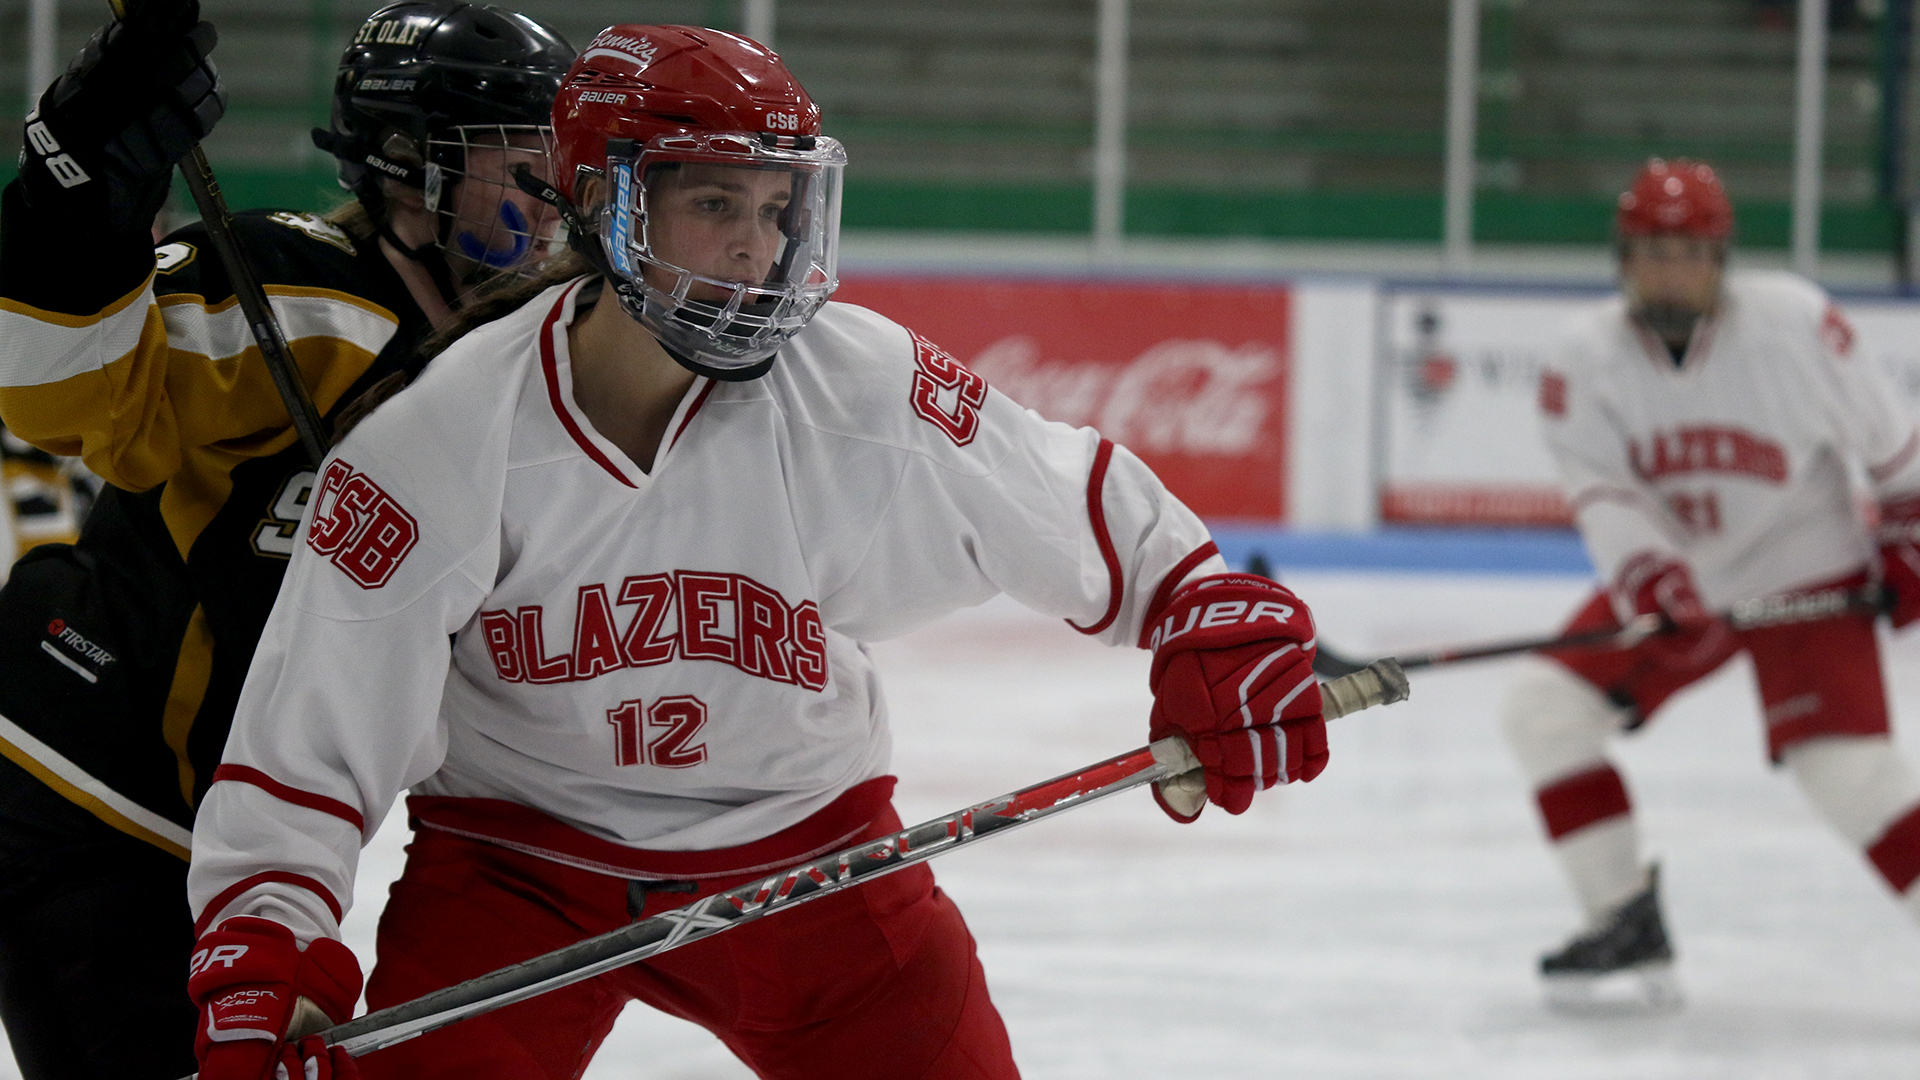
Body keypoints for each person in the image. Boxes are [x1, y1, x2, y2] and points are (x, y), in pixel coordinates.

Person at [180, 24, 1331, 1080]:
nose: (757, 247)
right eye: (716, 204)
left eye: (779, 209)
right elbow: (309, 742)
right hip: (513, 869)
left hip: (809, 868)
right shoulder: (438, 441)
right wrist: (264, 951)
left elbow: (1074, 504)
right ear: (603, 200)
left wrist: (1203, 608)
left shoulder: (859, 381)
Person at [0, 3, 573, 1077]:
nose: (550, 200)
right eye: (519, 164)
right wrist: (79, 200)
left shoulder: (513, 358)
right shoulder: (297, 294)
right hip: (98, 792)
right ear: (411, 166)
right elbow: (58, 397)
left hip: (253, 845)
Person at [1501, 157, 1920, 1009]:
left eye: (1690, 252)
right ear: (1623, 258)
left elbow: (1894, 447)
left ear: (1723, 259)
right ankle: (1623, 916)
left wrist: (1910, 538)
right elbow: (1603, 494)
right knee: (1545, 711)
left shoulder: (1796, 325)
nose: (1671, 269)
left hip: (1806, 571)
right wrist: (1650, 579)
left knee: (1850, 777)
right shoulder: (1580, 361)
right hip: (1683, 583)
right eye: (1653, 250)